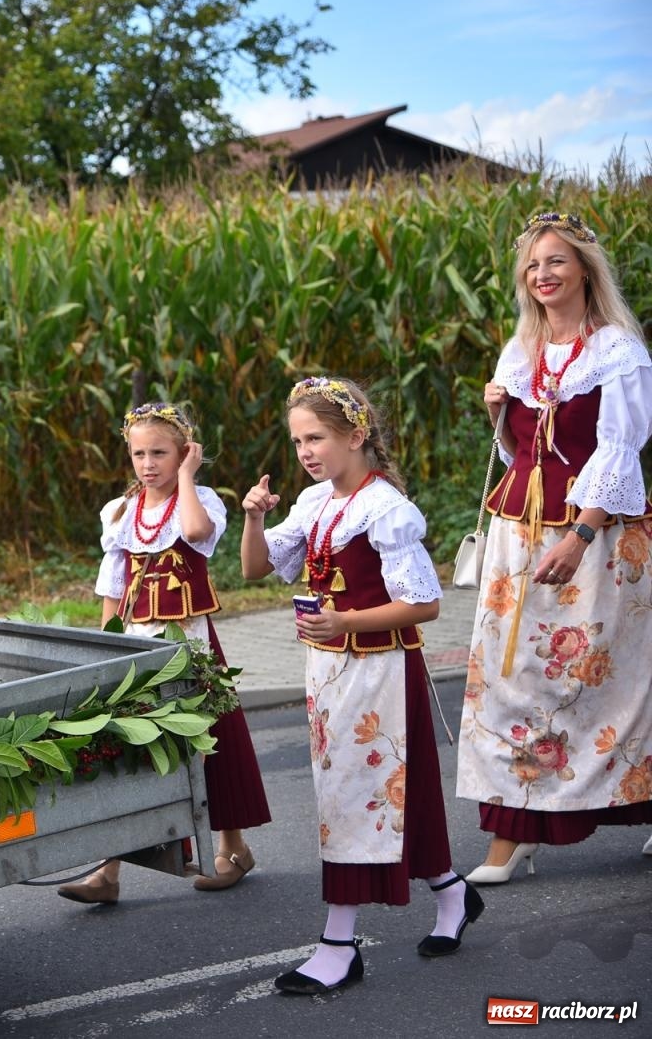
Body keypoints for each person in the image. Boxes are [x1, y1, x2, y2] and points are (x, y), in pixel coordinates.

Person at [241, 377, 480, 994]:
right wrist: (251, 518)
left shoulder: (387, 510)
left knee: (353, 797)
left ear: (356, 435)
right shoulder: (315, 502)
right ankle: (452, 894)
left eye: (316, 437)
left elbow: (424, 604)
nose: (306, 451)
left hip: (379, 672)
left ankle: (338, 944)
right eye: (297, 441)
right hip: (327, 670)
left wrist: (345, 620)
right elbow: (256, 568)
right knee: (397, 791)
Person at [455, 212, 652, 883]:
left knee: (609, 680)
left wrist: (581, 534)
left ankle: (642, 801)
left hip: (592, 536)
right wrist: (497, 414)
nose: (543, 274)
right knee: (510, 680)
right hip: (517, 535)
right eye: (534, 265)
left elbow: (617, 449)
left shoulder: (619, 352)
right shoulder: (521, 350)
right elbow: (522, 452)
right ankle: (515, 833)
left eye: (557, 262)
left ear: (585, 272)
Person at [57, 401, 272, 906]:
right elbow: (112, 585)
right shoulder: (120, 511)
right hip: (137, 638)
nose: (148, 463)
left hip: (189, 638)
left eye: (160, 452)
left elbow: (197, 536)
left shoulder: (199, 503)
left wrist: (192, 479)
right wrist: (105, 643)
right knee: (131, 743)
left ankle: (234, 849)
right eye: (139, 453)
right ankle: (108, 871)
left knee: (208, 738)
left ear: (183, 454)